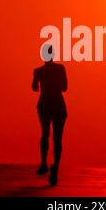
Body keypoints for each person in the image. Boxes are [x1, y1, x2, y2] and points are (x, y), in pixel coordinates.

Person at [32, 45, 68, 186]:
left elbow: (34, 88)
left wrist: (39, 80)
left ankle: (43, 162)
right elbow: (65, 88)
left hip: (44, 104)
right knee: (57, 138)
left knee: (45, 134)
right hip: (58, 104)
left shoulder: (38, 71)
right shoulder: (60, 69)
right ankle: (56, 166)